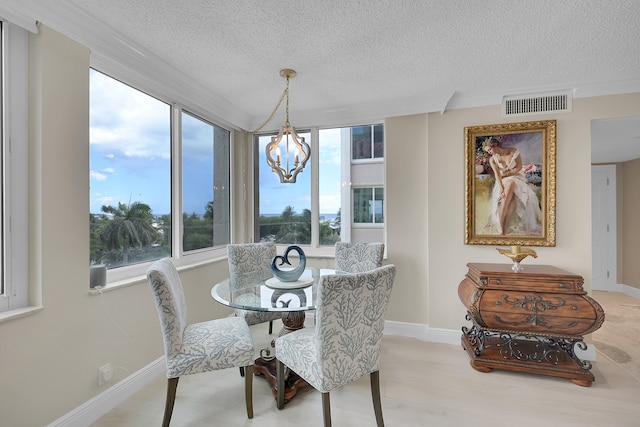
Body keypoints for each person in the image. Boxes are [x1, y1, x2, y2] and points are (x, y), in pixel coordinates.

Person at [482, 137, 542, 235]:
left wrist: (506, 174)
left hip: (517, 177)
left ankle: (503, 228)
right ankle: (501, 227)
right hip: (502, 181)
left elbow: (518, 167)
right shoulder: (493, 159)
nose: (489, 152)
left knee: (514, 199)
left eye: (490, 149)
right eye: (488, 151)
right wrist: (501, 187)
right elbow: (497, 175)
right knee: (509, 187)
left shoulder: (513, 151)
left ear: (495, 145)